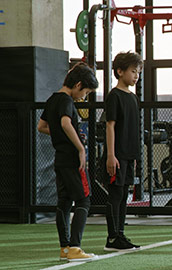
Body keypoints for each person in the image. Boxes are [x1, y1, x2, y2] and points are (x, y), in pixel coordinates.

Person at [37, 62, 99, 262]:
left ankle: (65, 247)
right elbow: (64, 122)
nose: (84, 96)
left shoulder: (52, 100)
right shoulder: (66, 101)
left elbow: (42, 126)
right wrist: (80, 148)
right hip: (72, 159)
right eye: (86, 92)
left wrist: (61, 134)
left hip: (59, 159)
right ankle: (75, 247)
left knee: (64, 202)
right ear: (78, 84)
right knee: (83, 200)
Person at [103, 51, 144, 251]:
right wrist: (111, 155)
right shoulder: (114, 96)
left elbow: (132, 129)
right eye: (133, 71)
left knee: (125, 196)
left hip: (129, 155)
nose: (136, 76)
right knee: (116, 195)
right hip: (116, 155)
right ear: (120, 72)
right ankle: (112, 238)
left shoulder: (133, 99)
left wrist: (133, 157)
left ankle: (120, 234)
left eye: (138, 72)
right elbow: (110, 126)